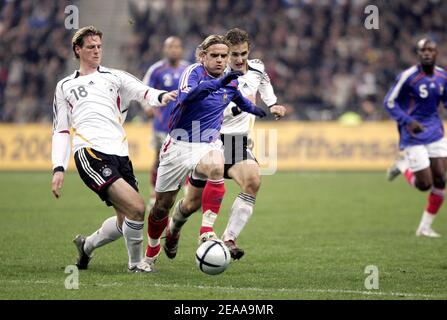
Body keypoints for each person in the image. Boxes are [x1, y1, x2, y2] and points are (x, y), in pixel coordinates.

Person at [51, 26, 176, 272]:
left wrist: (163, 97)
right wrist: (58, 168)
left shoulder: (115, 77)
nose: (97, 51)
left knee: (125, 220)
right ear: (78, 50)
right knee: (138, 208)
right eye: (91, 47)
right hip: (90, 152)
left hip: (119, 154)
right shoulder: (64, 86)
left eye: (99, 46)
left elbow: (145, 92)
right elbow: (61, 130)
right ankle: (136, 264)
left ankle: (86, 246)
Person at [142, 35, 267, 271]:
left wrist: (255, 110)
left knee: (216, 165)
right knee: (162, 206)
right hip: (178, 144)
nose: (220, 60)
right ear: (203, 56)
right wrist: (219, 83)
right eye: (215, 56)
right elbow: (189, 96)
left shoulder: (229, 81)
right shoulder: (193, 72)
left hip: (207, 142)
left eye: (223, 56)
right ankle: (151, 251)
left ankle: (206, 231)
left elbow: (238, 98)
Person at [217, 28, 286, 259]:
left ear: (249, 50)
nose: (239, 59)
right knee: (189, 204)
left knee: (253, 181)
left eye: (243, 53)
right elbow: (209, 108)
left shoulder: (257, 68)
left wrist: (273, 103)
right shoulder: (216, 74)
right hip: (210, 139)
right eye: (234, 54)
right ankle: (173, 229)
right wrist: (240, 106)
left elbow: (264, 83)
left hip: (236, 141)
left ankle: (228, 238)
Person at [384, 38, 447, 238]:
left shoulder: (442, 76)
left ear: (436, 53)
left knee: (441, 178)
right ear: (418, 54)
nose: (427, 53)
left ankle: (424, 227)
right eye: (423, 50)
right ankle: (403, 165)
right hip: (413, 134)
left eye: (430, 50)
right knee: (424, 185)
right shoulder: (408, 77)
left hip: (435, 131)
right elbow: (389, 102)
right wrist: (407, 121)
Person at [141, 36, 190, 210]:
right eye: (170, 47)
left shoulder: (188, 69)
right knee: (158, 159)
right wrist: (146, 106)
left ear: (181, 49)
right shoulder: (156, 70)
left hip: (184, 123)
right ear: (165, 49)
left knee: (186, 157)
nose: (174, 50)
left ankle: (187, 192)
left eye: (177, 47)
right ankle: (154, 194)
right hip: (161, 123)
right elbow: (144, 89)